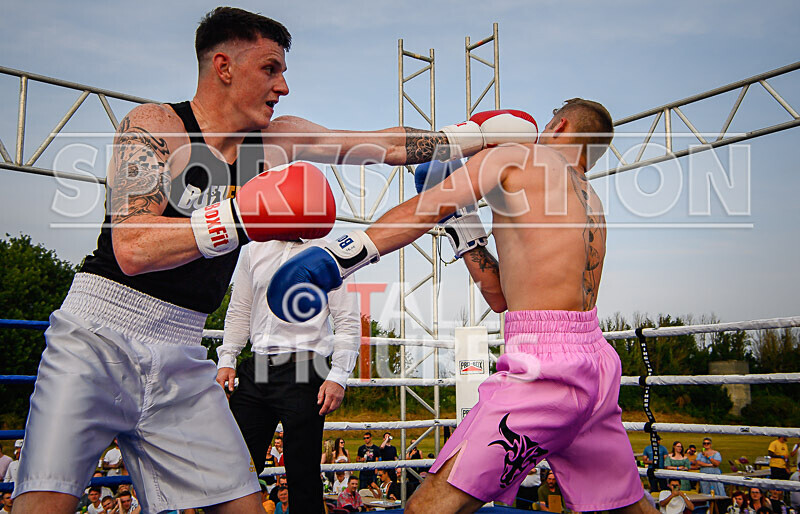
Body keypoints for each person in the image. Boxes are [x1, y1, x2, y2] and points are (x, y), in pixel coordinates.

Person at [12, 6, 524, 513]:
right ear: (223, 66)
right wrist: (243, 216)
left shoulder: (279, 140)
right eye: (270, 68)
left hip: (184, 351)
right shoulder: (157, 124)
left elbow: (380, 147)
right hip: (98, 335)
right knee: (45, 502)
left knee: (242, 504)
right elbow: (133, 247)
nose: (283, 86)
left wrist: (479, 139)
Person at [266, 99, 652, 513]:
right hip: (597, 367)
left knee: (428, 508)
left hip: (544, 368)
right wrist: (464, 226)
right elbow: (499, 295)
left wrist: (342, 255)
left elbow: (422, 207)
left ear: (558, 126)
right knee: (624, 505)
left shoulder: (516, 157)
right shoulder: (591, 202)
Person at [215, 237, 360, 514]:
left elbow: (347, 320)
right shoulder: (254, 248)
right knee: (236, 466)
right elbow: (240, 308)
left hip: (306, 367)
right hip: (256, 366)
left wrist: (339, 374)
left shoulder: (330, 251)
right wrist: (227, 358)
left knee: (302, 473)